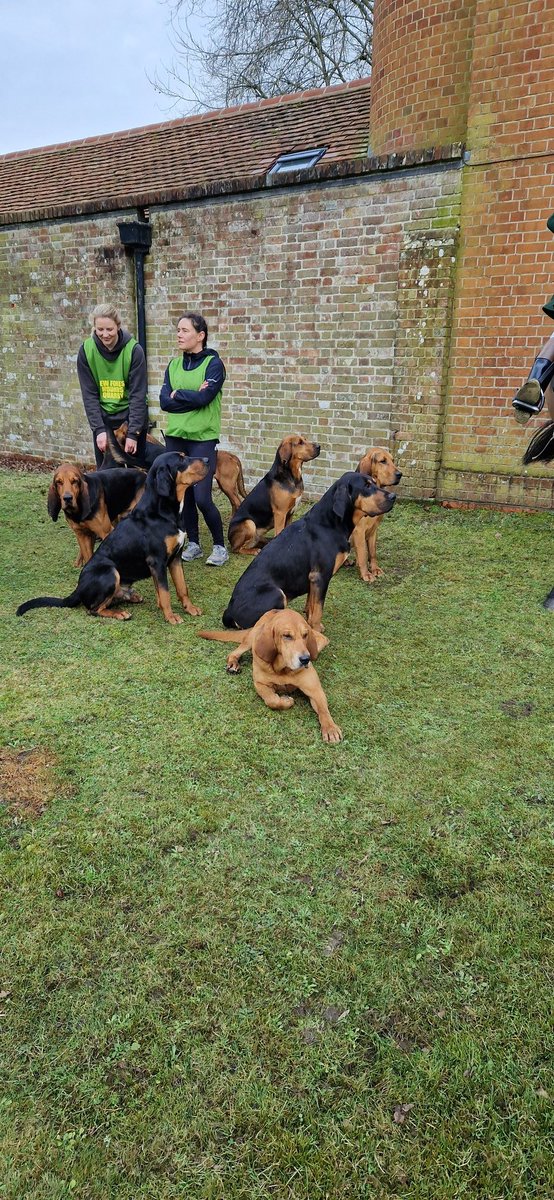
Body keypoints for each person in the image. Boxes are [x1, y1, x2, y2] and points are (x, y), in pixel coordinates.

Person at [159, 312, 229, 566]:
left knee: (201, 497)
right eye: (178, 330)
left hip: (202, 439)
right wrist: (185, 397)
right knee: (183, 495)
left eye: (185, 330)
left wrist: (179, 395)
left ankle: (220, 547)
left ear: (200, 336)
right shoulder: (173, 365)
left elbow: (205, 399)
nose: (179, 334)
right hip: (176, 438)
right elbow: (164, 402)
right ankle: (195, 544)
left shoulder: (214, 364)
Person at [77, 303, 148, 467]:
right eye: (100, 329)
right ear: (94, 327)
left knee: (135, 475)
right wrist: (99, 430)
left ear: (118, 326)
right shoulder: (86, 351)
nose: (105, 334)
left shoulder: (134, 350)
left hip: (130, 419)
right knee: (107, 477)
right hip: (104, 420)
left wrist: (133, 433)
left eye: (109, 329)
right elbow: (89, 395)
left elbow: (138, 395)